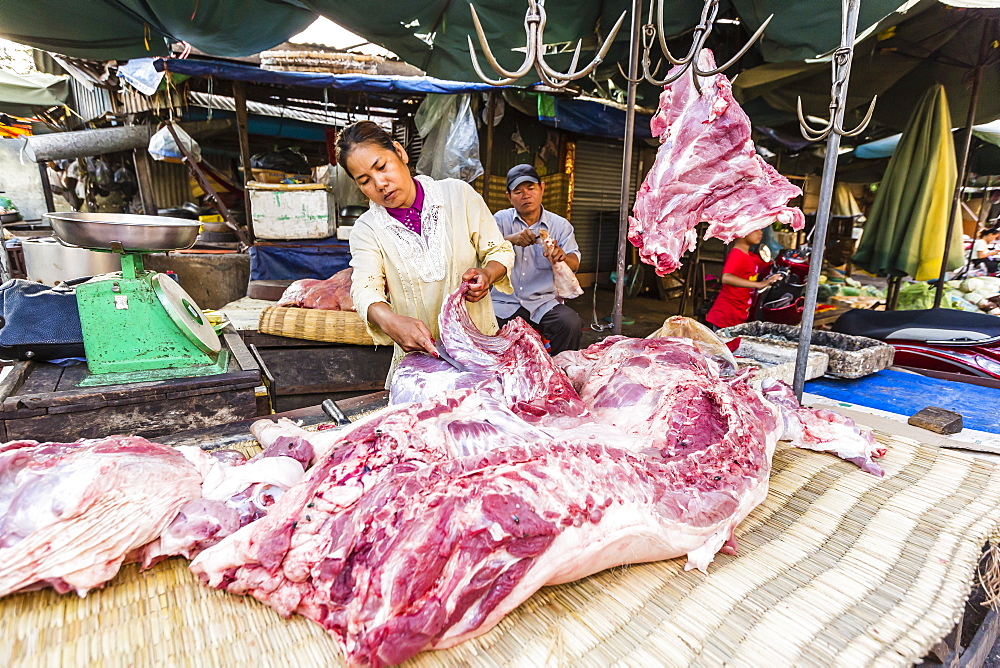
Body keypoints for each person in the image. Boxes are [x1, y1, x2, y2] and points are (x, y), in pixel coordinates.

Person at [342, 121, 515, 382]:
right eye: (365, 180)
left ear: (400, 153)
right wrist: (390, 321)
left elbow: (499, 250)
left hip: (479, 352)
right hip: (419, 367)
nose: (380, 184)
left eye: (382, 167)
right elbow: (365, 289)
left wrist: (488, 274)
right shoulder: (367, 229)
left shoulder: (459, 196)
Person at [491, 164, 584, 355]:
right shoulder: (499, 220)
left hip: (543, 303)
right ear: (509, 196)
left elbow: (575, 261)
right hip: (503, 303)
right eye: (518, 191)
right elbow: (483, 250)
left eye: (531, 188)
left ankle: (559, 373)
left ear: (542, 188)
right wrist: (510, 240)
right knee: (478, 327)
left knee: (570, 323)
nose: (526, 195)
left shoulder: (560, 225)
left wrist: (562, 257)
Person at [704, 228, 783, 330]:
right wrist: (760, 284)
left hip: (739, 314)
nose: (761, 232)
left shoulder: (752, 257)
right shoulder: (736, 254)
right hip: (726, 316)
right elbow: (726, 278)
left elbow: (769, 266)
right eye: (756, 229)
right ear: (742, 232)